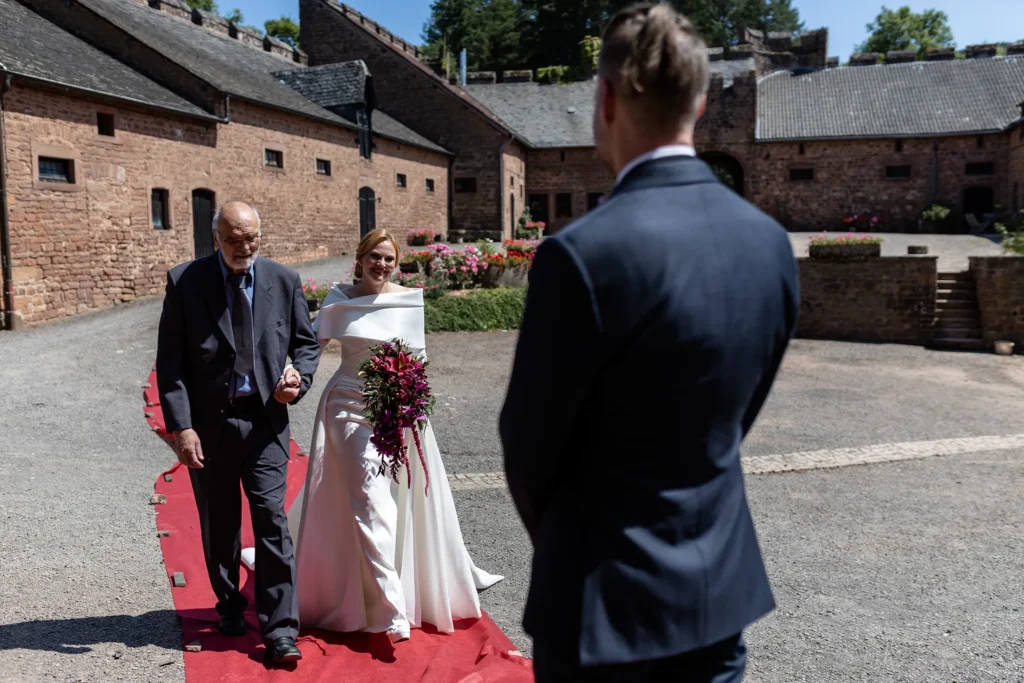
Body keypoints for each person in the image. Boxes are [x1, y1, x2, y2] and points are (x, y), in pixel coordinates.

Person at [499, 4, 800, 682]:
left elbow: (528, 448)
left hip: (602, 608)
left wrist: (571, 544)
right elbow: (735, 416)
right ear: (700, 103)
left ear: (605, 100)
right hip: (716, 598)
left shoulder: (580, 254)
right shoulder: (769, 244)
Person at [245, 228, 503, 643]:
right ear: (360, 258)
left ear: (396, 263)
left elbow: (417, 362)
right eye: (374, 257)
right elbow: (308, 346)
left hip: (397, 408)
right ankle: (391, 609)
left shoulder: (409, 299)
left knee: (399, 496)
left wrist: (410, 401)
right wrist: (290, 374)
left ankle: (392, 583)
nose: (381, 264)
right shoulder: (339, 300)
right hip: (347, 406)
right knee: (369, 495)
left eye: (388, 258)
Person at [156, 201, 320, 665]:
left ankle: (280, 629)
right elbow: (170, 363)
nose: (243, 247)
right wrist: (182, 427)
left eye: (250, 238)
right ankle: (229, 603)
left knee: (272, 522)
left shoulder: (284, 280)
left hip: (266, 422)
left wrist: (298, 379)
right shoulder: (185, 282)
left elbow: (306, 345)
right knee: (221, 524)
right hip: (211, 427)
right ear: (216, 239)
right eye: (233, 240)